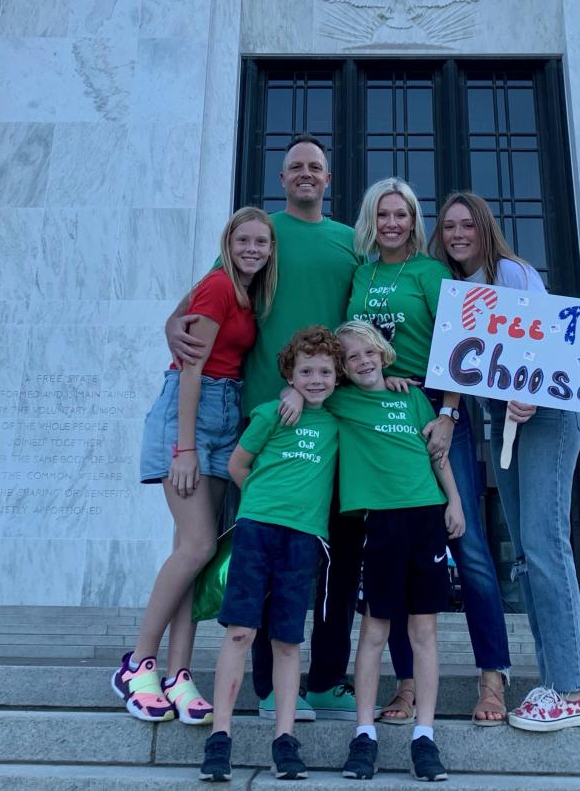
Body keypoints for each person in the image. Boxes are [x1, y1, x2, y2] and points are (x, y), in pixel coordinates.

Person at [165, 136, 362, 720]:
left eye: (316, 168)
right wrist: (172, 321)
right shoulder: (263, 236)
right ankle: (272, 688)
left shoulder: (351, 242)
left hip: (333, 424)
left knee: (334, 558)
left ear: (329, 180)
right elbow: (205, 293)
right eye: (296, 167)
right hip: (266, 420)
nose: (306, 175)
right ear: (283, 178)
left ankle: (325, 678)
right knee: (266, 554)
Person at [346, 178, 512, 726]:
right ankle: (407, 686)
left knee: (467, 545)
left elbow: (458, 346)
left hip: (435, 411)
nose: (393, 223)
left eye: (403, 214)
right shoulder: (362, 273)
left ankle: (493, 677)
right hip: (379, 419)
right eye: (384, 214)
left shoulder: (432, 273)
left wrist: (447, 412)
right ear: (372, 219)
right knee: (394, 549)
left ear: (415, 222)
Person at [431, 192, 580, 732]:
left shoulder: (512, 274)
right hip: (503, 423)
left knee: (546, 543)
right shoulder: (459, 291)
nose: (457, 234)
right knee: (525, 553)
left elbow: (548, 341)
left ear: (484, 227)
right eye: (449, 226)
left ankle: (572, 689)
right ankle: (552, 682)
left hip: (545, 414)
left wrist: (534, 389)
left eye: (466, 225)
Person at [112, 209, 277, 725]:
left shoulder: (248, 293)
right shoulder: (219, 286)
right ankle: (138, 663)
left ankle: (179, 675)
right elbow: (191, 368)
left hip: (223, 416)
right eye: (244, 239)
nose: (253, 248)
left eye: (261, 242)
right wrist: (185, 449)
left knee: (194, 552)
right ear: (228, 243)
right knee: (198, 545)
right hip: (191, 415)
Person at [199, 327, 342, 783]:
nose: (315, 379)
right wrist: (261, 501)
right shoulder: (270, 414)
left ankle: (284, 740)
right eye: (306, 372)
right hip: (258, 531)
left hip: (304, 539)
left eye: (324, 371)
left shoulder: (337, 422)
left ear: (337, 376)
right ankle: (220, 736)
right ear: (290, 374)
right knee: (240, 632)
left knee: (287, 640)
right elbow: (236, 464)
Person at [330, 321, 463, 783]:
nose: (362, 362)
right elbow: (308, 388)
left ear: (382, 353)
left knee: (424, 631)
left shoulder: (409, 395)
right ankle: (364, 733)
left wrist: (456, 501)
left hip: (427, 516)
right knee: (374, 630)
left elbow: (435, 453)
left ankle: (424, 736)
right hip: (381, 523)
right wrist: (291, 394)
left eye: (368, 352)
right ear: (342, 369)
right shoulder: (340, 401)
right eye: (351, 358)